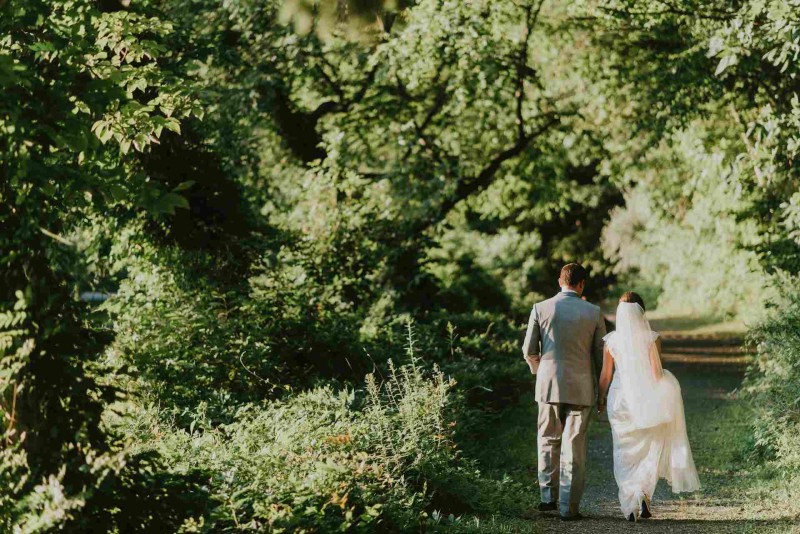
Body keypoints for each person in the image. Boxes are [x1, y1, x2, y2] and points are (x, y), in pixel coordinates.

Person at [598, 292, 701, 522]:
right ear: (641, 312)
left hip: (620, 400)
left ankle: (630, 502)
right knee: (648, 449)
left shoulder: (611, 341)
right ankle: (642, 493)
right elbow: (656, 373)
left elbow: (605, 375)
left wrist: (600, 399)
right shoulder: (651, 339)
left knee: (623, 451)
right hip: (646, 400)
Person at [522, 263, 606, 521]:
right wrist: (602, 392)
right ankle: (569, 507)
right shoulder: (594, 312)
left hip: (548, 384)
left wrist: (540, 371)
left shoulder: (540, 308)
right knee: (574, 445)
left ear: (560, 281)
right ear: (582, 284)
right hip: (582, 386)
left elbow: (529, 351)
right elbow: (601, 357)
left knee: (547, 439)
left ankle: (548, 498)